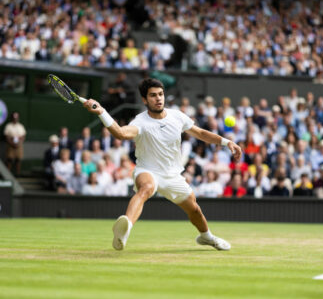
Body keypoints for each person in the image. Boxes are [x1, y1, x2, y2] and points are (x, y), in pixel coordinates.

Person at [83, 78, 242, 251]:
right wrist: (102, 112)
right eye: (153, 95)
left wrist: (227, 142)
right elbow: (121, 133)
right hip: (147, 170)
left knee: (194, 210)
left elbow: (201, 133)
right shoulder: (140, 122)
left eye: (160, 94)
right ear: (144, 100)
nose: (158, 98)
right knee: (146, 188)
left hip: (173, 175)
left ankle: (206, 237)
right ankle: (125, 229)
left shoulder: (177, 116)